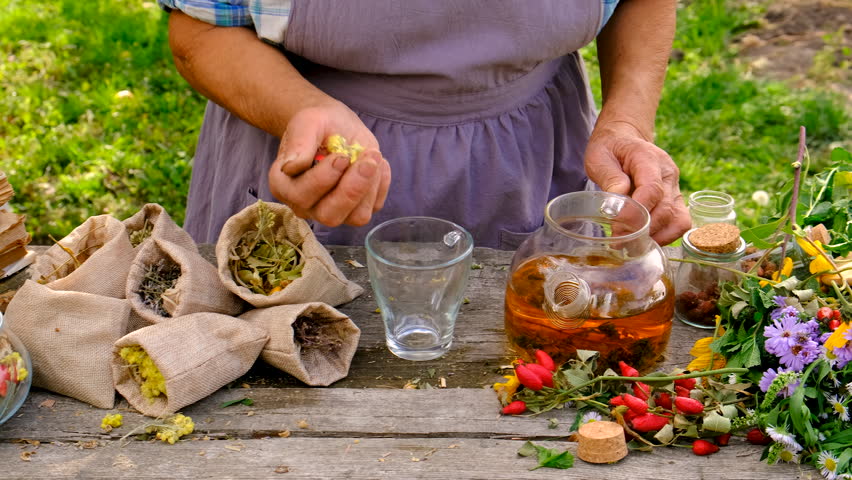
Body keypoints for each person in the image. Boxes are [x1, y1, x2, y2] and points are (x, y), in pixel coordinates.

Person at [159, 0, 691, 249]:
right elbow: (201, 30)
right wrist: (297, 108)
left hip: (536, 155)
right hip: (310, 152)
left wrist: (626, 125)